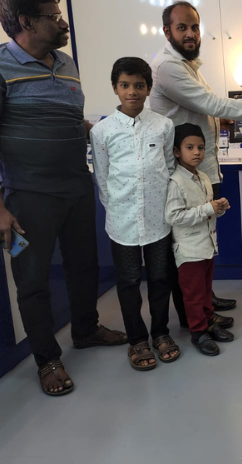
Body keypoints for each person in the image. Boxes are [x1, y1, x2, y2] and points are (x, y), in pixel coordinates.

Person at [0, 0, 126, 396]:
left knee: (84, 266)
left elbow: (71, 121)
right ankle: (47, 360)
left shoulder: (66, 63)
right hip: (27, 196)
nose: (63, 22)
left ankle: (86, 330)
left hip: (77, 187)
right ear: (26, 22)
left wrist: (110, 132)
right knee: (33, 279)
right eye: (53, 16)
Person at [150, 1, 242, 317]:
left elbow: (202, 109)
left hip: (201, 169)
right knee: (190, 246)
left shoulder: (188, 64)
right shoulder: (168, 67)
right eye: (182, 27)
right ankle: (195, 315)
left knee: (205, 239)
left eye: (195, 27)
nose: (191, 33)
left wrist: (216, 121)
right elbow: (209, 102)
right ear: (167, 31)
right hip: (183, 174)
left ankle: (204, 302)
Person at [90, 57, 180, 370]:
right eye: (125, 85)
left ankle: (161, 332)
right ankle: (137, 340)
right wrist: (117, 209)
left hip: (158, 219)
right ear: (115, 88)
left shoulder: (163, 125)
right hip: (123, 221)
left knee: (160, 277)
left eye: (139, 85)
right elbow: (102, 177)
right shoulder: (102, 131)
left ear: (148, 88)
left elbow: (170, 168)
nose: (132, 92)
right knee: (128, 281)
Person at [165, 123, 233, 356]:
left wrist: (218, 208)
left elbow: (207, 211)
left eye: (201, 147)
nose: (196, 152)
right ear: (177, 152)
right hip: (189, 250)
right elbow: (173, 216)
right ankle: (198, 332)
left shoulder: (203, 177)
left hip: (206, 246)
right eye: (190, 147)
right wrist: (207, 209)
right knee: (193, 295)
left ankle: (208, 322)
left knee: (205, 290)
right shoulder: (176, 181)